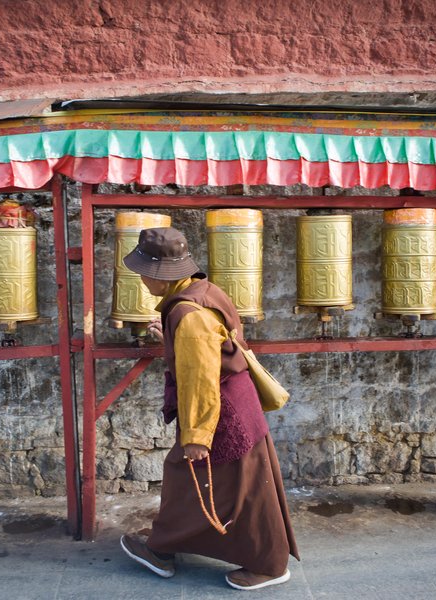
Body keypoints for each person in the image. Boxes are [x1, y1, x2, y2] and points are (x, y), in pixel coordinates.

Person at [119, 226, 299, 591]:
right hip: (237, 404)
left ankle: (265, 565)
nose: (140, 279)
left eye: (142, 272)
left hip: (221, 413)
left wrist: (198, 435)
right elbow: (214, 341)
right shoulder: (201, 291)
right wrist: (170, 336)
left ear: (159, 274)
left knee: (204, 479)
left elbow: (201, 377)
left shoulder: (188, 316)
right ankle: (166, 548)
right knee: (242, 487)